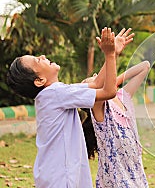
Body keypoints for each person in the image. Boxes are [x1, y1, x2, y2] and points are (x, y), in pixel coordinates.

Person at [6, 27, 117, 187]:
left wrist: (112, 54)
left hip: (55, 174)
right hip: (61, 176)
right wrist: (110, 55)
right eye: (38, 60)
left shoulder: (54, 94)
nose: (43, 56)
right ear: (39, 80)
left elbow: (97, 84)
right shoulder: (56, 94)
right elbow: (109, 91)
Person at [81, 60, 150, 187]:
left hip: (136, 177)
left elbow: (144, 66)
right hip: (116, 180)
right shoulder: (99, 107)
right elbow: (99, 86)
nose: (96, 75)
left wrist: (114, 83)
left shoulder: (122, 97)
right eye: (88, 81)